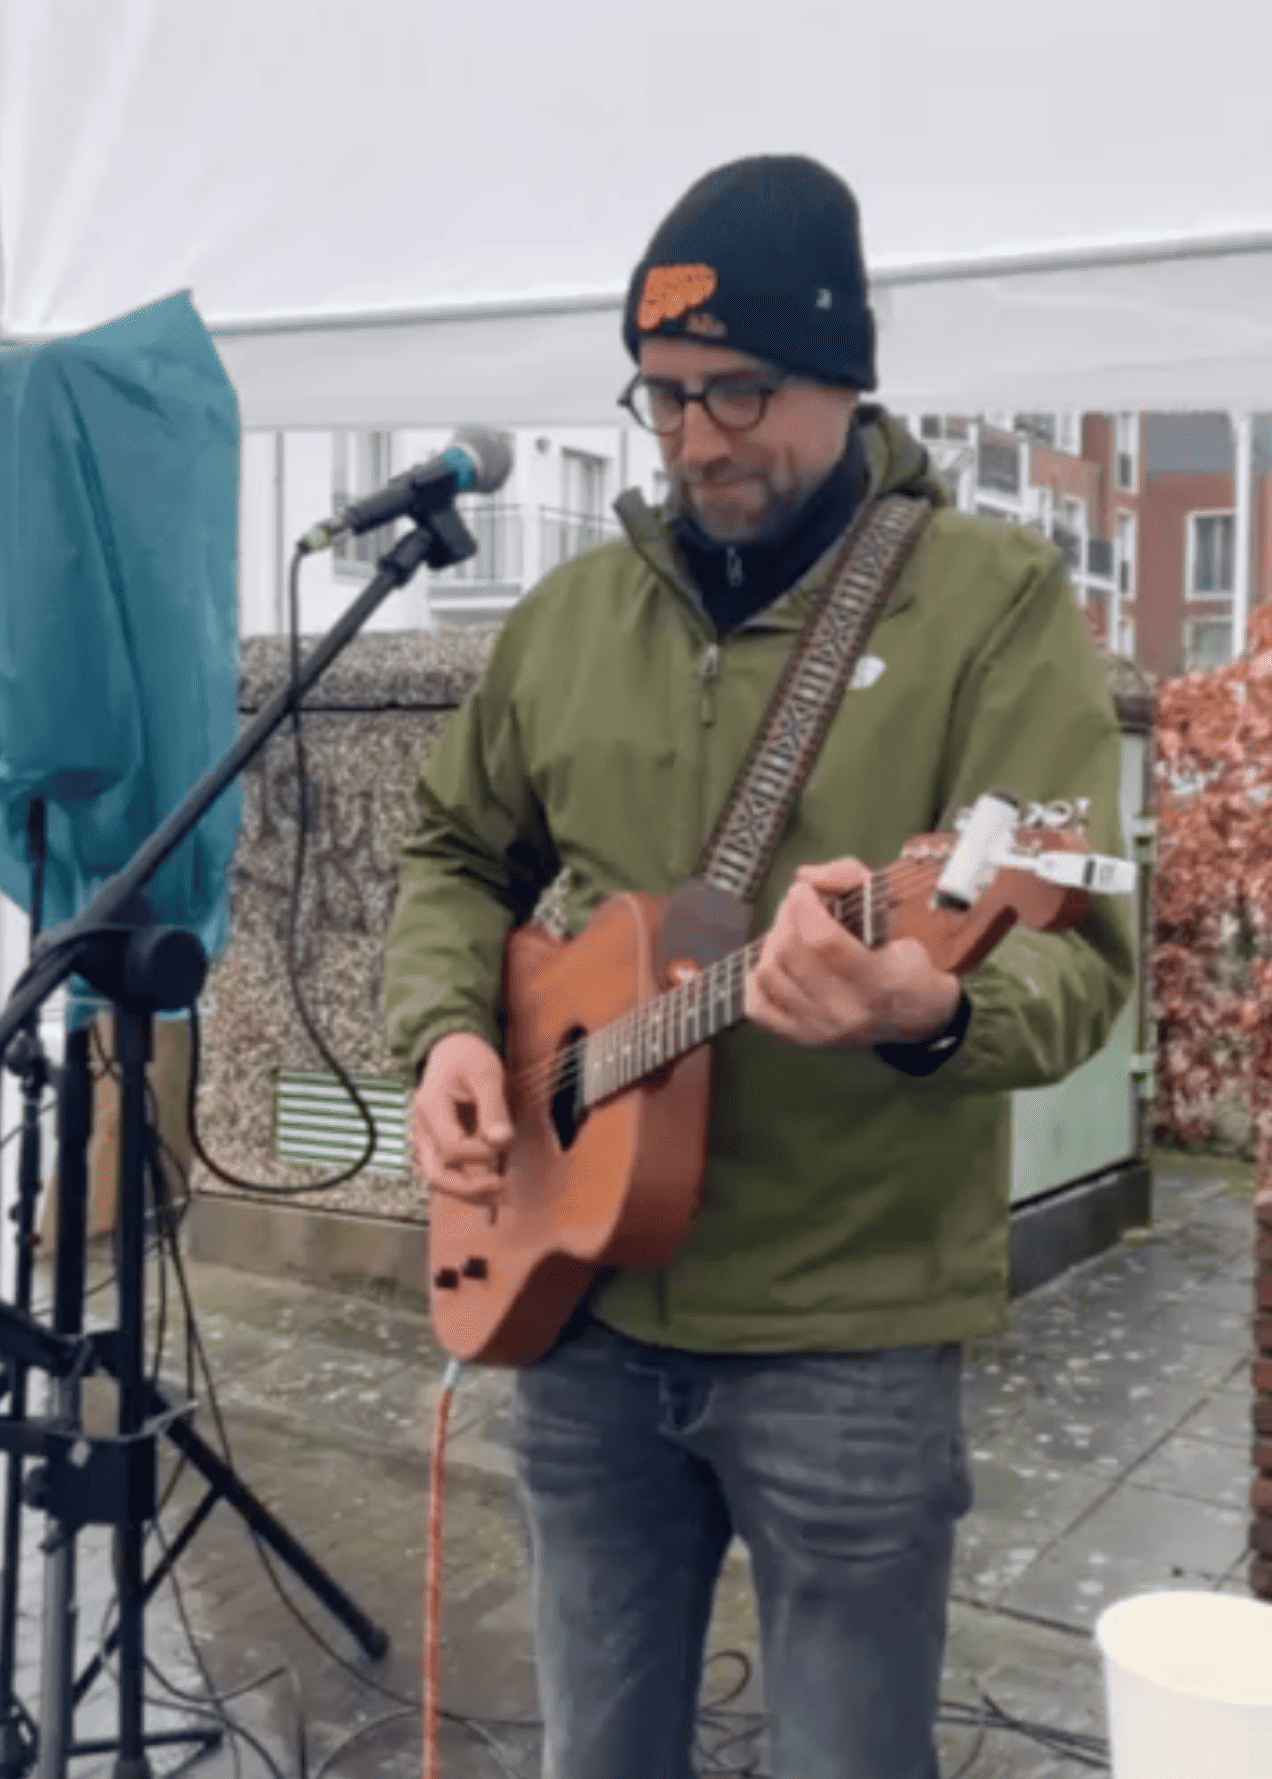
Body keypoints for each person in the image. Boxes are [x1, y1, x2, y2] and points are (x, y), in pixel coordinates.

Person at [384, 155, 1133, 1779]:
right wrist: (446, 1032)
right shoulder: (569, 618)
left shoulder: (994, 607)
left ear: (845, 375)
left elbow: (1079, 956)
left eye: (738, 390)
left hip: (846, 1333)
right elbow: (453, 850)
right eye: (661, 395)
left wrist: (932, 1011)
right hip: (578, 1311)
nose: (696, 438)